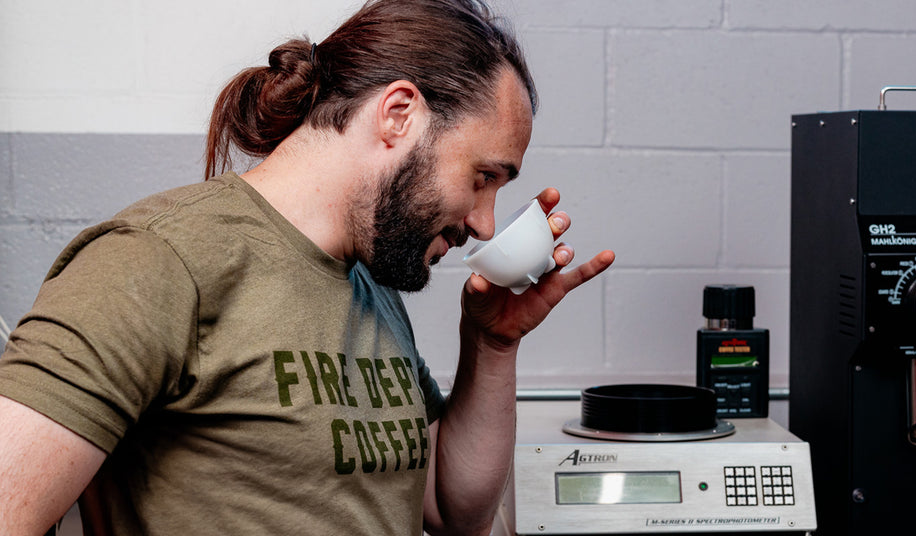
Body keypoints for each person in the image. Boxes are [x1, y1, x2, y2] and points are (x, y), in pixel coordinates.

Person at [0, 0, 615, 534]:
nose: (485, 222)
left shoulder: (367, 279)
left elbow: (455, 514)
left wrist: (491, 344)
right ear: (399, 114)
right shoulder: (154, 260)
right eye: (484, 177)